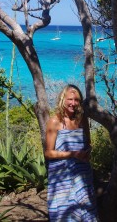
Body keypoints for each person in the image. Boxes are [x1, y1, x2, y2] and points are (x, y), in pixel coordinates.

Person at [45, 84, 98, 221]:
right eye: (70, 99)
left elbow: (88, 143)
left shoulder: (82, 120)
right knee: (66, 214)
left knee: (86, 212)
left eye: (77, 100)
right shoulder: (54, 121)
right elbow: (48, 153)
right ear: (63, 99)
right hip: (62, 177)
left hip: (82, 174)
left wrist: (87, 152)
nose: (73, 103)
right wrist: (72, 154)